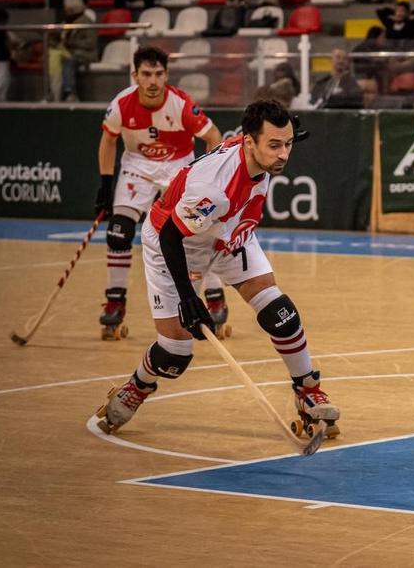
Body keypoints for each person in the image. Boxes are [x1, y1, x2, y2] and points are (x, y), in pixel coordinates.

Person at [93, 100, 342, 444]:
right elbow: (171, 236)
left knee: (279, 312)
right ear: (249, 142)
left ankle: (308, 390)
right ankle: (138, 385)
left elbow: (275, 134)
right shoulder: (214, 187)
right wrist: (188, 299)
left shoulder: (261, 149)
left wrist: (283, 130)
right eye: (275, 145)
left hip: (229, 230)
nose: (284, 154)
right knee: (175, 355)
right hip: (176, 244)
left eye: (288, 144)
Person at [93, 46, 226, 341]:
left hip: (177, 169)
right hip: (137, 170)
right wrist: (105, 185)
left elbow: (213, 136)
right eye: (146, 74)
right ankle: (115, 301)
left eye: (158, 74)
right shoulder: (122, 104)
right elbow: (108, 141)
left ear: (166, 75)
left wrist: (208, 176)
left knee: (196, 232)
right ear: (135, 76)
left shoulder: (180, 104)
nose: (153, 81)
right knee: (118, 232)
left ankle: (215, 294)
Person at [50, 0, 96, 103]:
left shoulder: (86, 22)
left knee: (68, 60)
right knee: (53, 58)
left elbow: (90, 43)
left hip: (86, 53)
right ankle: (53, 93)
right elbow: (56, 35)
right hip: (69, 52)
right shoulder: (67, 22)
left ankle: (69, 92)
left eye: (66, 7)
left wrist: (71, 43)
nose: (65, 10)